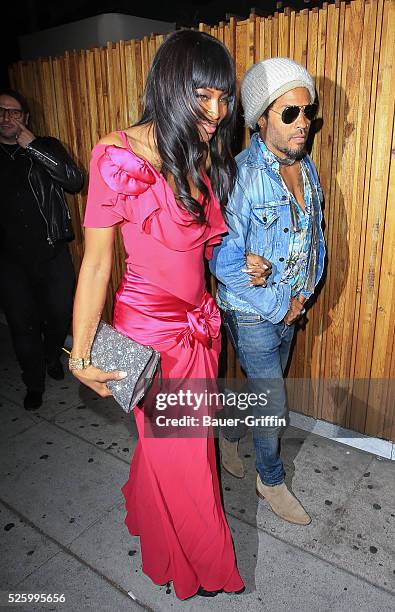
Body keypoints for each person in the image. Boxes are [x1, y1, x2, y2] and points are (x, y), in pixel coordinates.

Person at [69, 31, 270, 600]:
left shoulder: (196, 148)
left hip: (200, 326)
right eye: (202, 96)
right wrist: (81, 352)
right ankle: (205, 570)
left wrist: (238, 262)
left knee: (177, 446)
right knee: (190, 461)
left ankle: (149, 516)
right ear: (168, 87)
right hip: (152, 333)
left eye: (223, 98)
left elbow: (200, 247)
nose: (216, 112)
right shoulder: (117, 158)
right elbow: (96, 265)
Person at [210, 58, 326, 525]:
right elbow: (219, 259)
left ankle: (226, 431)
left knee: (262, 390)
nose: (304, 125)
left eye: (308, 113)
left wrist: (304, 293)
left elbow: (314, 235)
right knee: (272, 398)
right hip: (254, 311)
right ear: (261, 118)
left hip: (289, 307)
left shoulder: (306, 165)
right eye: (290, 113)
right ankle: (270, 479)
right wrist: (279, 300)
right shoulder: (239, 176)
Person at [0, 89, 84, 411]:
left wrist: (33, 146)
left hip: (52, 253)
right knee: (22, 325)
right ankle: (33, 382)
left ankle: (51, 356)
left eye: (14, 111)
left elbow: (75, 180)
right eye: (2, 111)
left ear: (25, 118)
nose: (7, 117)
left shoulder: (45, 146)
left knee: (59, 315)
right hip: (9, 261)